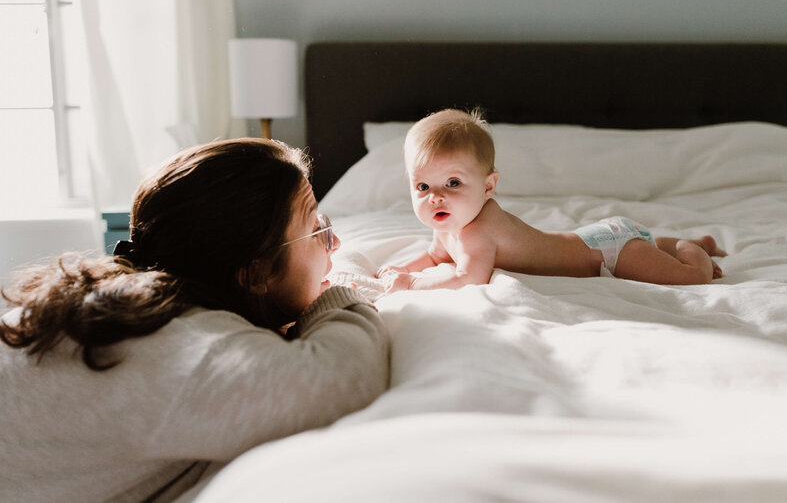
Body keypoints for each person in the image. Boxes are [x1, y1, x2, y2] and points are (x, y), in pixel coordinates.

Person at [0, 138, 390, 503]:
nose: (335, 243)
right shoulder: (189, 350)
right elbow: (345, 379)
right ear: (254, 273)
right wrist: (340, 289)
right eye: (316, 231)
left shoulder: (109, 301)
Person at [377, 109, 727, 292]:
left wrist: (411, 284)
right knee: (648, 246)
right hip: (597, 237)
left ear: (488, 187)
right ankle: (689, 244)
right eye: (422, 187)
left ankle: (692, 250)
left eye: (453, 183)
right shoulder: (451, 223)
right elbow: (438, 255)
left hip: (612, 255)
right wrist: (403, 268)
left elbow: (468, 278)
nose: (436, 196)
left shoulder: (479, 229)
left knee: (691, 280)